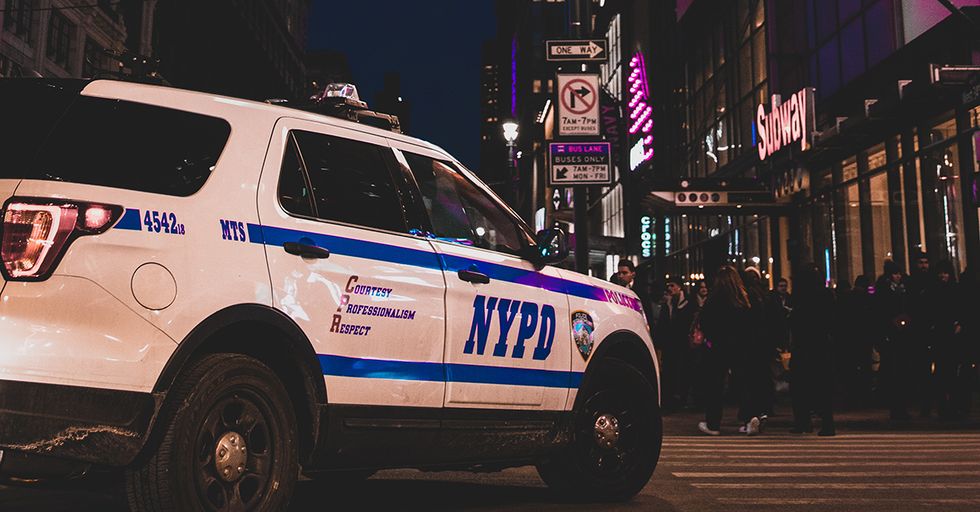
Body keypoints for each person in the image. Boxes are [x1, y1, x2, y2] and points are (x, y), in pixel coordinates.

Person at [697, 265, 754, 435]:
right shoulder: (743, 300)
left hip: (717, 347)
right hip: (740, 347)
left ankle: (713, 423)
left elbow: (705, 323)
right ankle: (748, 419)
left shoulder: (713, 300)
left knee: (715, 385)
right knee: (743, 383)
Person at [789, 263, 836, 436]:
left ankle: (803, 422)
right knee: (823, 386)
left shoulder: (801, 297)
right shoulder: (826, 295)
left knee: (800, 386)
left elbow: (796, 321)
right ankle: (827, 423)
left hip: (805, 346)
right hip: (822, 345)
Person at [874, 259, 913, 420]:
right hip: (890, 335)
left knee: (903, 372)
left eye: (899, 274)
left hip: (903, 335)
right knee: (893, 372)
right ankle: (896, 407)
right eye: (895, 274)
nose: (898, 277)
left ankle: (902, 406)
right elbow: (880, 313)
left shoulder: (904, 290)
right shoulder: (884, 290)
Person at [741, 267, 776, 427]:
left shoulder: (744, 296)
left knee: (749, 378)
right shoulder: (766, 295)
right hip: (764, 342)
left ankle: (750, 411)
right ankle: (765, 408)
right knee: (763, 376)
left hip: (749, 342)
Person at [657, 278, 697, 411]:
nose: (670, 288)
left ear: (679, 287)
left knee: (684, 370)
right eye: (668, 286)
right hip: (670, 344)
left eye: (672, 285)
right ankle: (672, 399)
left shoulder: (688, 303)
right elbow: (662, 324)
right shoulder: (667, 303)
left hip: (683, 343)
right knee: (670, 371)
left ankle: (682, 398)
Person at [929, 260, 961, 418]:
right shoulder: (934, 291)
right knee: (942, 372)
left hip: (950, 334)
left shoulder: (954, 290)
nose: (943, 275)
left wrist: (959, 323)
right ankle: (943, 407)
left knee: (951, 372)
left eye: (945, 273)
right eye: (941, 273)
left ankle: (952, 406)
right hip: (940, 334)